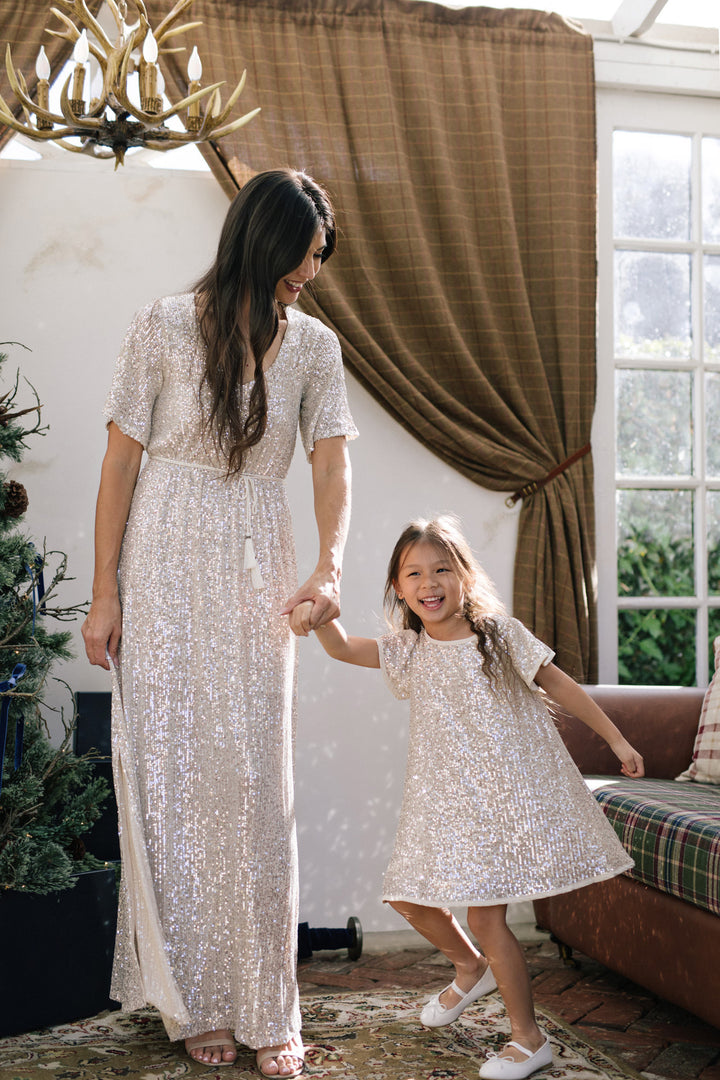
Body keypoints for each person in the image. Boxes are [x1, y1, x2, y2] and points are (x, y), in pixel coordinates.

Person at [81, 168, 358, 1076]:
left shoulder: (316, 347)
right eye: (305, 255)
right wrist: (105, 592)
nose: (310, 273)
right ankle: (191, 996)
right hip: (160, 561)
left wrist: (330, 565)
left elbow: (329, 468)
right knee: (170, 778)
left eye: (319, 259)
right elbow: (120, 465)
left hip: (253, 564)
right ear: (263, 240)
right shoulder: (161, 325)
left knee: (250, 784)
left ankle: (264, 1003)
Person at [291, 515, 644, 1080]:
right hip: (441, 801)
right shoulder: (408, 649)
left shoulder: (498, 637)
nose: (429, 583)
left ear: (463, 578)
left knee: (485, 915)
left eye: (441, 570)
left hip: (499, 802)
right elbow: (343, 650)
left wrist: (616, 738)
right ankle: (469, 968)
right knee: (408, 898)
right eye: (414, 574)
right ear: (399, 588)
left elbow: (560, 685)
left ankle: (529, 1040)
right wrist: (320, 614)